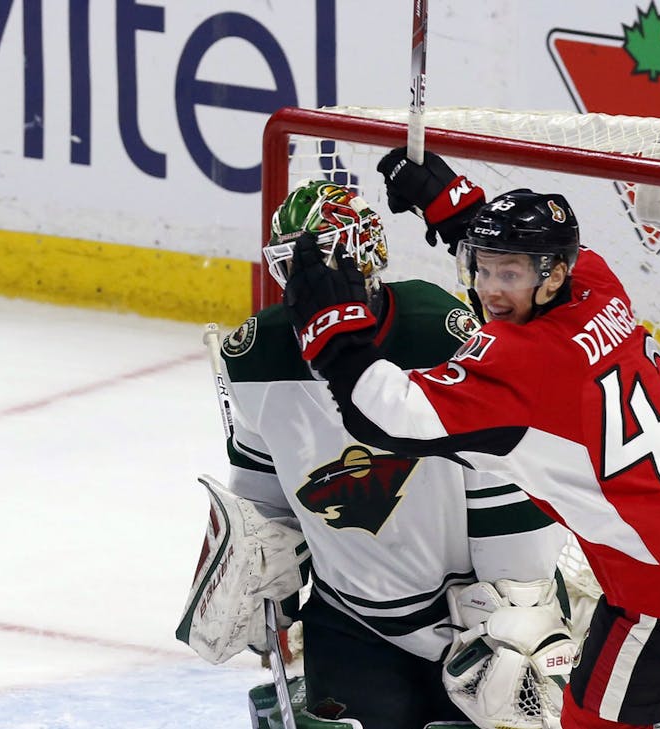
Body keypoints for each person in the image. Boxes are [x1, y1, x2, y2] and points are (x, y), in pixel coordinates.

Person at [282, 149, 660, 729]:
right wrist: (447, 200)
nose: (490, 291)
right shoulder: (597, 285)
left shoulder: (523, 364)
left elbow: (385, 417)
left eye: (510, 275)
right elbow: (517, 253)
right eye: (482, 268)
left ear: (553, 274)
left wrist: (332, 327)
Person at [176, 180, 574, 729]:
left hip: (476, 620)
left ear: (365, 263)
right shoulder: (257, 354)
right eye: (288, 266)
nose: (302, 286)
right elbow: (265, 502)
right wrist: (261, 567)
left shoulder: (443, 335)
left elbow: (507, 481)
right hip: (352, 619)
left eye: (320, 268)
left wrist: (518, 608)